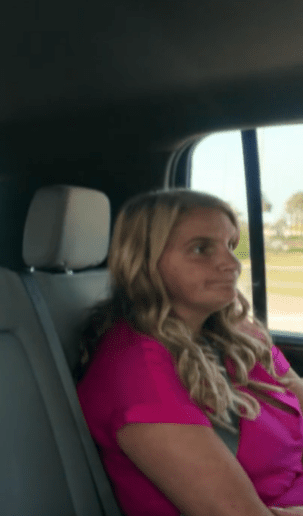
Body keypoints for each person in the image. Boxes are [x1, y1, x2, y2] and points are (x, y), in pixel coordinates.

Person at [77, 189, 303, 516]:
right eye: (201, 249)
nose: (232, 264)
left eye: (230, 246)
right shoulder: (137, 374)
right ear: (144, 262)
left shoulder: (239, 334)